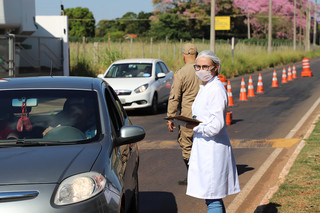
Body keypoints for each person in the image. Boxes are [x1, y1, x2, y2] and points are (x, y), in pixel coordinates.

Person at [185, 50, 240, 213]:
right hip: (204, 147)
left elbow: (216, 126)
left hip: (212, 150)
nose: (201, 70)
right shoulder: (205, 87)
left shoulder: (216, 89)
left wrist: (193, 126)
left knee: (212, 196)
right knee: (211, 196)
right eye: (198, 66)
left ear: (215, 67)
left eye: (205, 66)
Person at [166, 43, 201, 185]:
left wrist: (171, 117)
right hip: (205, 114)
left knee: (187, 145)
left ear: (184, 56)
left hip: (188, 115)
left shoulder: (181, 73)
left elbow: (175, 97)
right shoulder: (203, 70)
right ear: (196, 56)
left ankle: (193, 178)